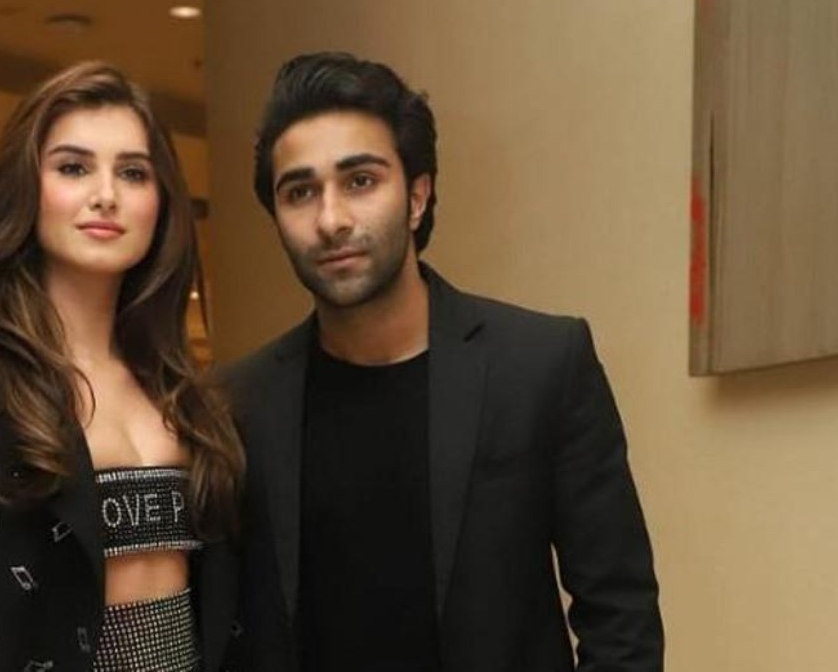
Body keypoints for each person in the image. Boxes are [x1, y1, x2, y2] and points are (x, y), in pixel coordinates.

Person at [225, 52, 664, 671]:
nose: (330, 219)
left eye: (360, 181)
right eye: (300, 192)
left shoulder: (539, 365)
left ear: (416, 196)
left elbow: (620, 614)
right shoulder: (240, 403)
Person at [0, 61, 244, 672]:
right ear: (25, 188)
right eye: (73, 167)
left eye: (133, 172)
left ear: (162, 201)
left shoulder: (185, 392)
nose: (106, 194)